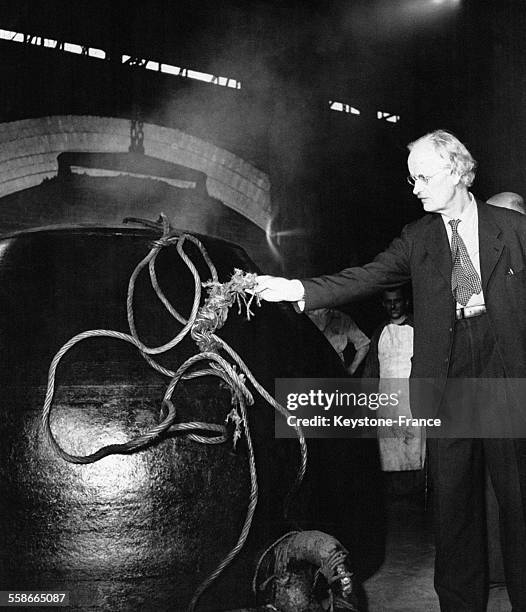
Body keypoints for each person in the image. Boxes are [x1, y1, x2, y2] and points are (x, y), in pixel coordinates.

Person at [255, 129, 526, 611]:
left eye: (423, 176)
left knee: (519, 501)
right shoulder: (417, 238)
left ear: (457, 171)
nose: (415, 187)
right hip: (448, 369)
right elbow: (366, 277)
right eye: (411, 178)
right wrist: (298, 290)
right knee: (453, 508)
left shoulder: (512, 227)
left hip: (506, 365)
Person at [363, 286, 425, 472]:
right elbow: (371, 373)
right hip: (387, 406)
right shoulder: (379, 333)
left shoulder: (419, 329)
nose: (393, 306)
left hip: (412, 403)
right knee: (390, 458)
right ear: (383, 304)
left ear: (405, 301)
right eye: (388, 302)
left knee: (416, 455)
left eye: (396, 301)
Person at [307, 307, 370, 375]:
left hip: (335, 373)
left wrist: (351, 369)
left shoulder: (341, 318)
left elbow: (364, 344)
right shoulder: (300, 317)